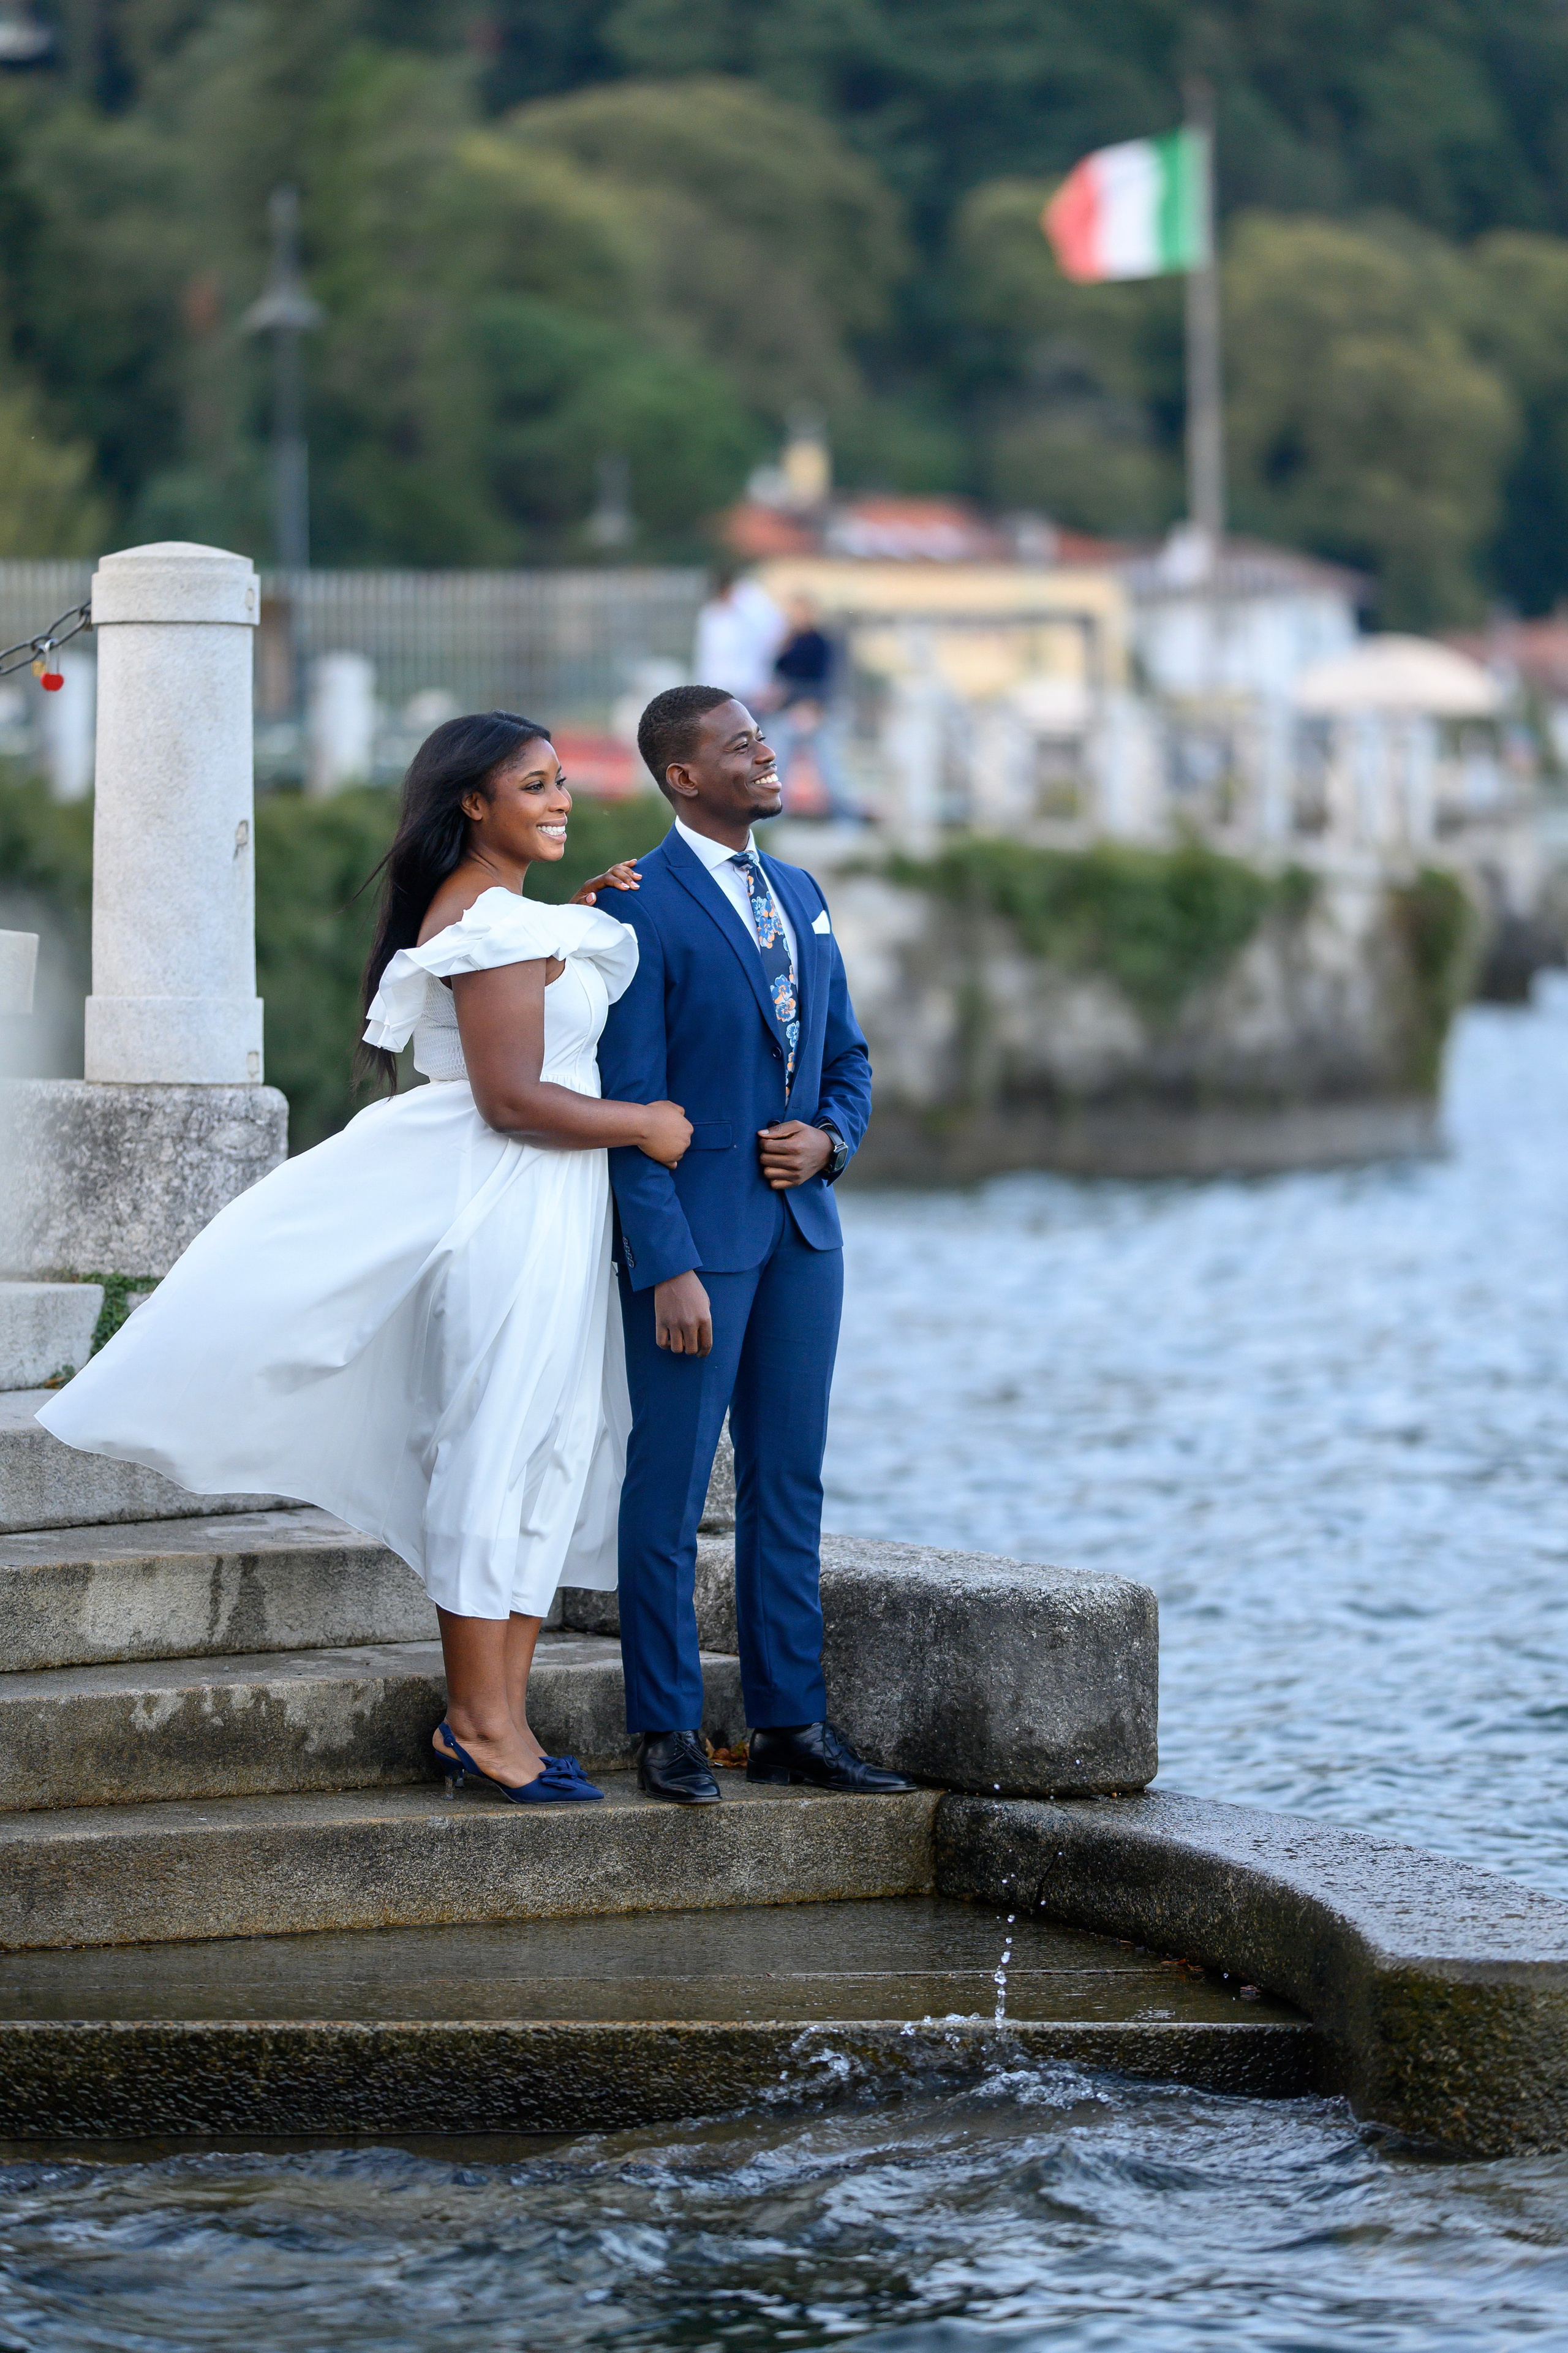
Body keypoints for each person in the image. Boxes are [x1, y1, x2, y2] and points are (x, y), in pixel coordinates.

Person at [38, 712, 691, 1808]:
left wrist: (570, 922)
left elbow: (534, 1027)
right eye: (534, 784)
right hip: (508, 1199)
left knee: (551, 1443)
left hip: (553, 1205)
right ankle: (479, 1723)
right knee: (498, 1441)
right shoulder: (488, 923)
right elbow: (510, 1099)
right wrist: (646, 1125)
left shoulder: (510, 917)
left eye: (560, 781)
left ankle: (502, 1714)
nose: (561, 800)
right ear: (473, 803)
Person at [596, 682, 914, 1804]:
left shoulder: (802, 892)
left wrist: (832, 1142)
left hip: (803, 1241)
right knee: (671, 1486)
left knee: (790, 1481)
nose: (768, 754)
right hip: (698, 1250)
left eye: (764, 738)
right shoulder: (638, 907)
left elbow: (850, 1059)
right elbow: (630, 1106)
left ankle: (791, 1724)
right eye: (741, 745)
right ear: (684, 776)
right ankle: (667, 1728)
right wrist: (666, 1263)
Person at [768, 594, 861, 823]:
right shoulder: (789, 642)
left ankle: (846, 817)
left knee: (831, 768)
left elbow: (829, 679)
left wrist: (814, 707)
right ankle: (772, 815)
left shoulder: (822, 643)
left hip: (818, 713)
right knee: (776, 766)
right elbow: (779, 676)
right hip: (790, 712)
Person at [692, 565, 785, 708]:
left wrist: (764, 681)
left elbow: (774, 635)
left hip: (750, 688)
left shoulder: (752, 606)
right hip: (718, 686)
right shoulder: (710, 615)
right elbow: (707, 654)